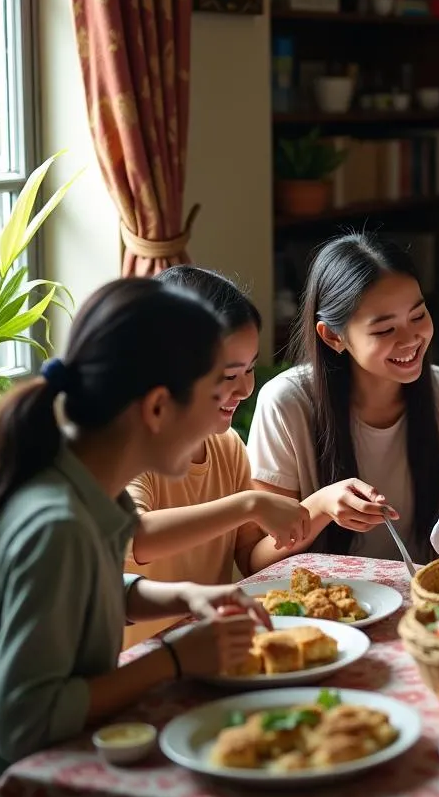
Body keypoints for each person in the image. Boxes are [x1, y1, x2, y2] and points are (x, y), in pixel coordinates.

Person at [0, 279, 267, 797]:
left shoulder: (84, 485)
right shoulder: (54, 522)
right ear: (158, 407)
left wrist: (181, 594)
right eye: (214, 390)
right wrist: (178, 659)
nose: (225, 408)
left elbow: (92, 592)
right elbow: (23, 725)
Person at [247, 233, 439, 564]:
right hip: (323, 605)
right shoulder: (286, 403)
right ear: (333, 336)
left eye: (418, 316)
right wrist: (321, 507)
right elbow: (257, 562)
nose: (411, 339)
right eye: (384, 330)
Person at [123, 268, 312, 648]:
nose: (245, 389)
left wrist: (317, 509)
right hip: (140, 664)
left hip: (210, 652)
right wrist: (249, 503)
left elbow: (252, 559)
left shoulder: (226, 449)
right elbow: (136, 536)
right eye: (228, 376)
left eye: (249, 369)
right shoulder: (130, 450)